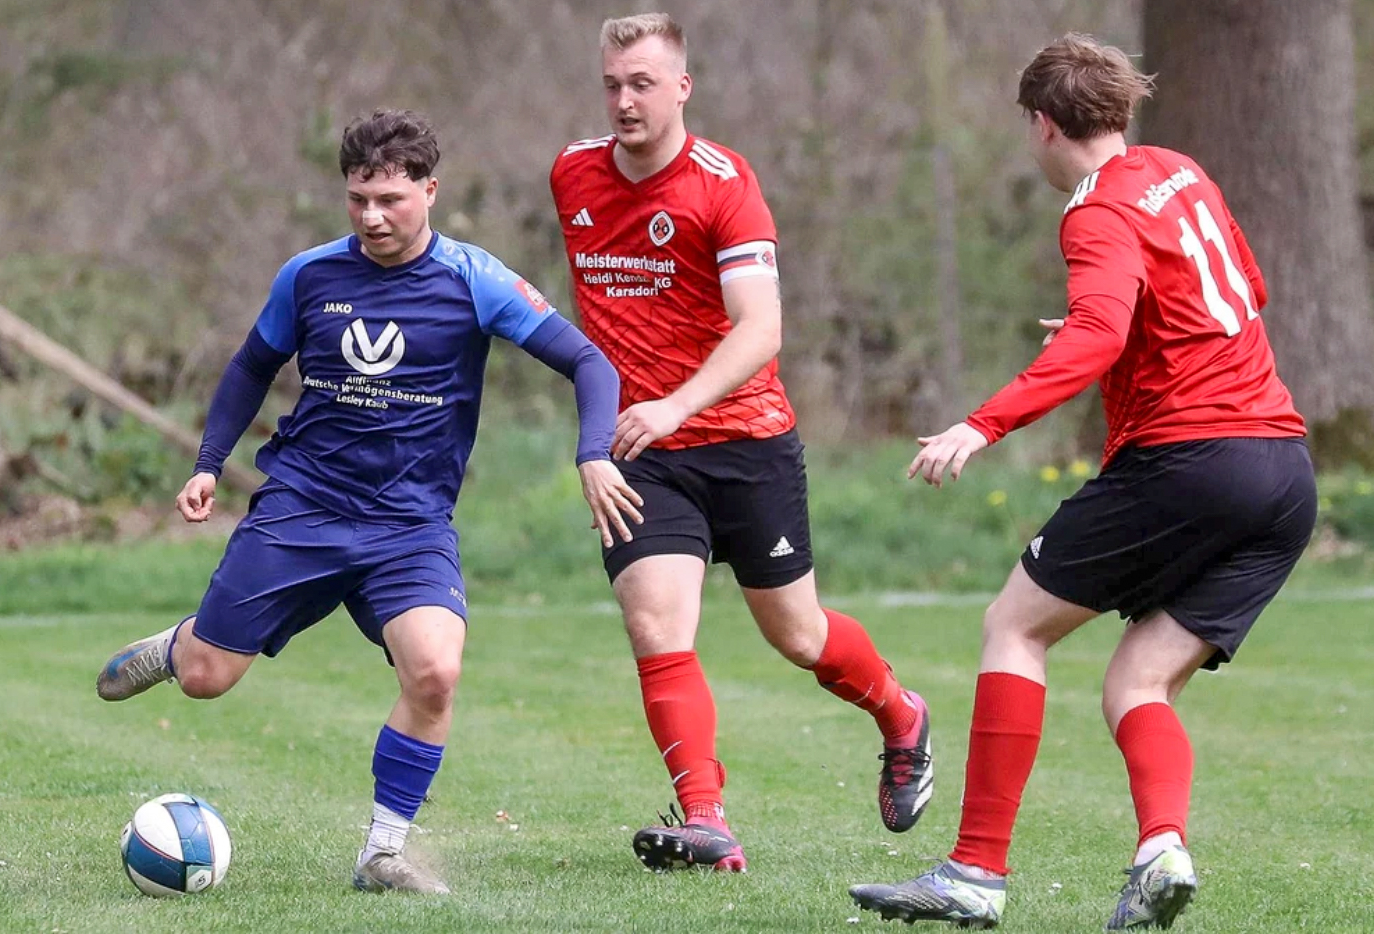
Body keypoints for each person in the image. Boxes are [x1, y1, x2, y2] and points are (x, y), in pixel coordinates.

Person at [95, 109, 642, 895]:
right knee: (210, 677)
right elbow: (250, 367)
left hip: (409, 526)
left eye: (390, 199)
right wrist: (209, 463)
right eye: (358, 199)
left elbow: (589, 363)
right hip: (304, 508)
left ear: (430, 191)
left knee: (435, 673)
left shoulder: (475, 280)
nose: (372, 216)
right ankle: (178, 649)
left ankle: (383, 853)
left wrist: (592, 452)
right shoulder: (309, 276)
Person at [849, 34, 1315, 930]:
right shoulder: (1176, 170)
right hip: (1284, 473)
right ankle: (1160, 851)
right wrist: (1115, 320)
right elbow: (1240, 292)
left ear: (1041, 123)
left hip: (1190, 460)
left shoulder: (1093, 209)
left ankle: (974, 873)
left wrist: (980, 424)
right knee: (1137, 682)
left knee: (1013, 626)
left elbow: (1099, 336)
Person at [549, 13, 933, 874]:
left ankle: (900, 714)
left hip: (744, 442)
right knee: (654, 623)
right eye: (612, 85)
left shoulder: (724, 185)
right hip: (643, 452)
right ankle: (706, 817)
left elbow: (760, 328)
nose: (624, 101)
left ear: (682, 87)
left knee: (798, 636)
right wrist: (624, 416)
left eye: (642, 84)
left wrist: (676, 404)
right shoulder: (571, 171)